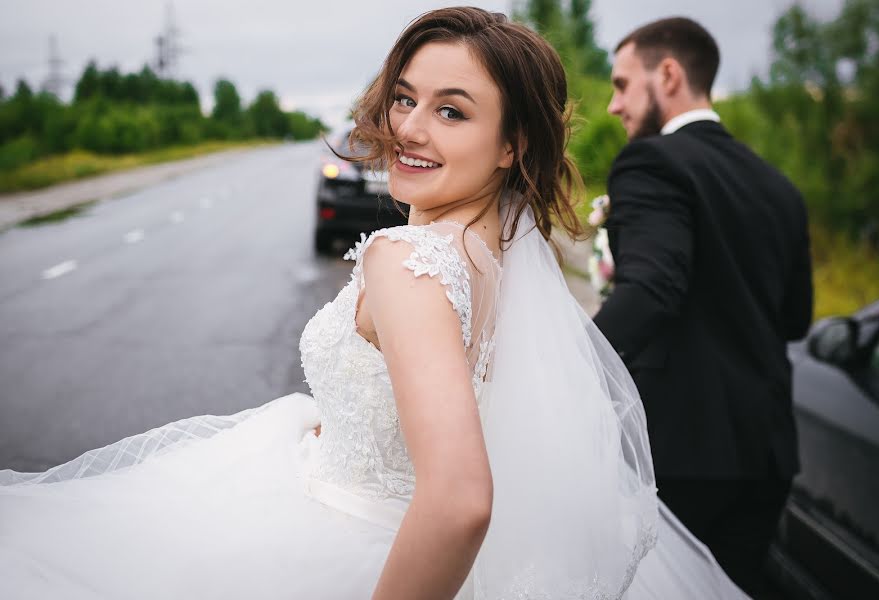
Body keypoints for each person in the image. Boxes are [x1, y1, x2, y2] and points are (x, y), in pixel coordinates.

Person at [0, 8, 747, 599]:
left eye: (452, 112)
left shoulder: (407, 261)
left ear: (513, 143)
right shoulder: (504, 253)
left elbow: (458, 501)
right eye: (403, 98)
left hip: (347, 550)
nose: (408, 128)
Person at [592, 16, 814, 597]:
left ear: (668, 74)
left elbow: (653, 289)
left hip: (681, 448)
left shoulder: (652, 164)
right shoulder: (778, 186)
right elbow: (795, 318)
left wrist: (566, 365)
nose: (614, 106)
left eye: (621, 85)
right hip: (766, 456)